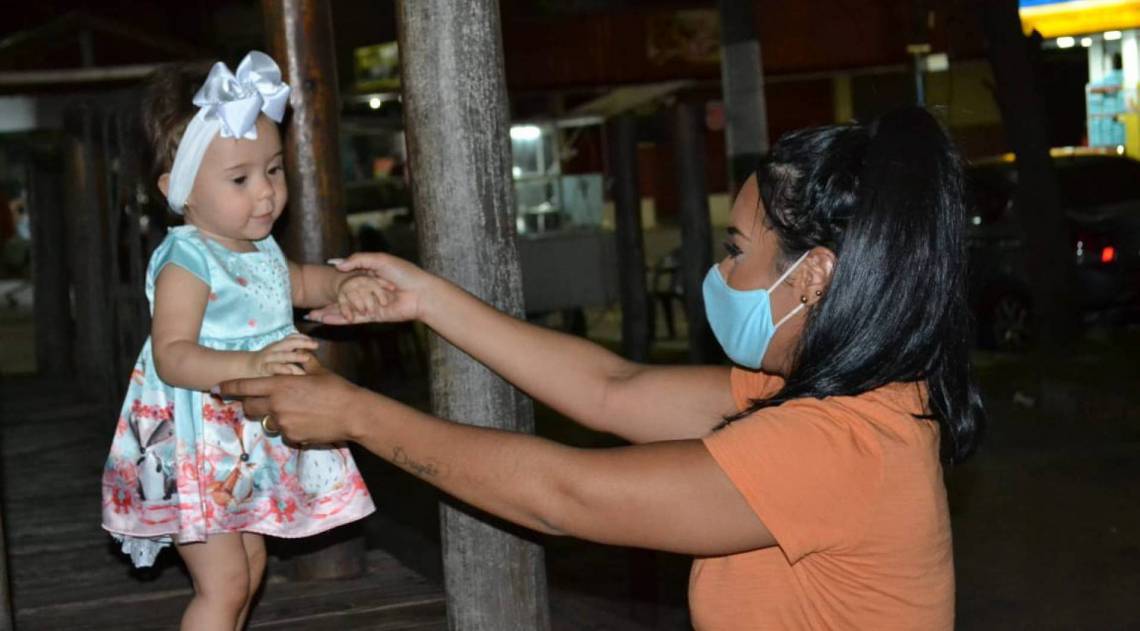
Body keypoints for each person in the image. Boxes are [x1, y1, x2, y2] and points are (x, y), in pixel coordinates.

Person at [219, 107, 984, 630]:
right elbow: (611, 390)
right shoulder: (833, 395)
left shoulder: (838, 445)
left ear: (814, 275)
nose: (716, 271)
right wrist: (427, 300)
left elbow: (566, 495)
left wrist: (354, 414)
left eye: (735, 249)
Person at [101, 51, 379, 631]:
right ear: (180, 192)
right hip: (195, 446)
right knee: (224, 581)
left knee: (251, 566)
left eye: (273, 170)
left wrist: (342, 282)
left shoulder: (259, 249)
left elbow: (298, 281)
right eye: (240, 179)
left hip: (242, 448)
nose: (266, 194)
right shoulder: (189, 258)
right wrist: (250, 362)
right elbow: (172, 356)